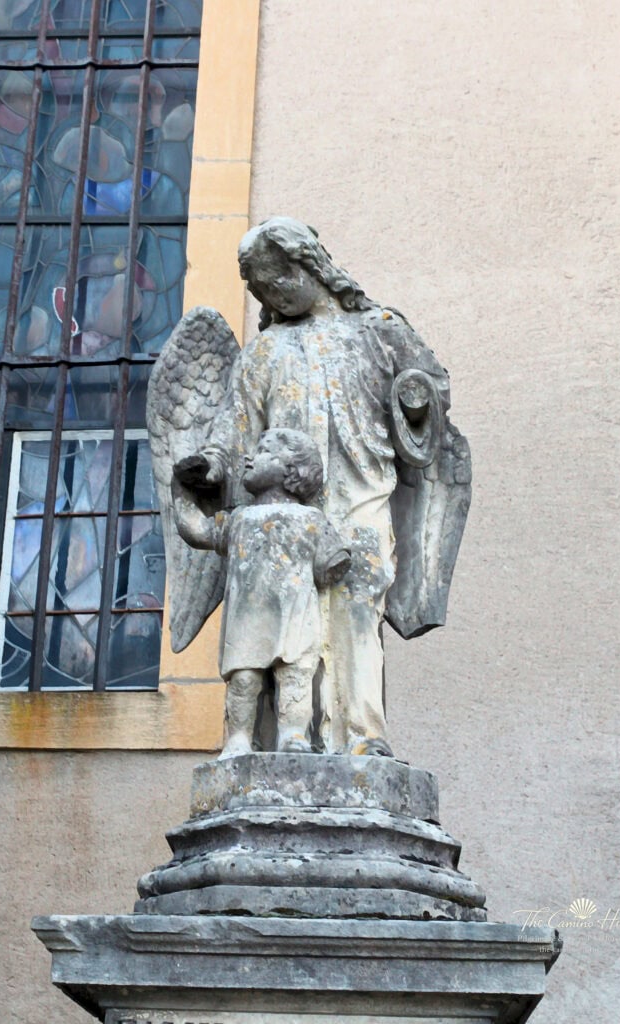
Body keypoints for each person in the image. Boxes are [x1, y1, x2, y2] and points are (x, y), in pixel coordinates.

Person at [188, 217, 452, 756]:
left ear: (309, 264)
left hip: (362, 497)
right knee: (290, 621)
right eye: (263, 292)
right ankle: (295, 741)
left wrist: (415, 400)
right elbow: (235, 432)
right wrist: (211, 467)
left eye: (279, 281)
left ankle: (362, 737)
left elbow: (432, 388)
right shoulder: (263, 353)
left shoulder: (378, 330)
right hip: (285, 512)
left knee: (357, 605)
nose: (274, 297)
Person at [171, 427, 350, 758]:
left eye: (264, 451)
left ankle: (293, 735)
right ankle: (238, 738)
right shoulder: (240, 518)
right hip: (248, 617)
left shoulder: (311, 518)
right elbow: (196, 531)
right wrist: (180, 490)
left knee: (296, 676)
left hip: (295, 615)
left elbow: (333, 563)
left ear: (291, 470)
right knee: (244, 680)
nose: (250, 458)